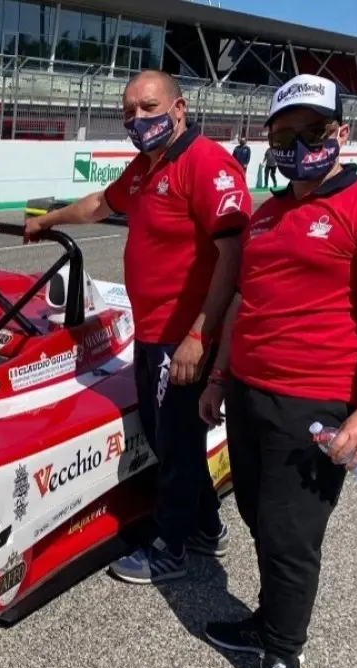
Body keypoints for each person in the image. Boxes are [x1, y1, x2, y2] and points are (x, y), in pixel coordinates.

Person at [197, 73, 357, 668]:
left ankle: (283, 657)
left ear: (341, 134)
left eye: (313, 130)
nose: (298, 143)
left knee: (291, 536)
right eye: (284, 132)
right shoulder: (268, 215)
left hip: (316, 406)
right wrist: (218, 377)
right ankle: (270, 620)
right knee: (256, 518)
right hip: (246, 391)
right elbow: (245, 302)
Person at [23, 69, 250, 584]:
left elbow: (233, 255)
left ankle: (169, 548)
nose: (137, 120)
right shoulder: (146, 167)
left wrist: (199, 335)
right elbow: (102, 204)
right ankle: (206, 527)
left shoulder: (206, 165)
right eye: (129, 112)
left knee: (174, 442)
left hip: (182, 337)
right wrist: (49, 220)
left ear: (178, 109)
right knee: (167, 434)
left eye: (148, 108)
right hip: (151, 332)